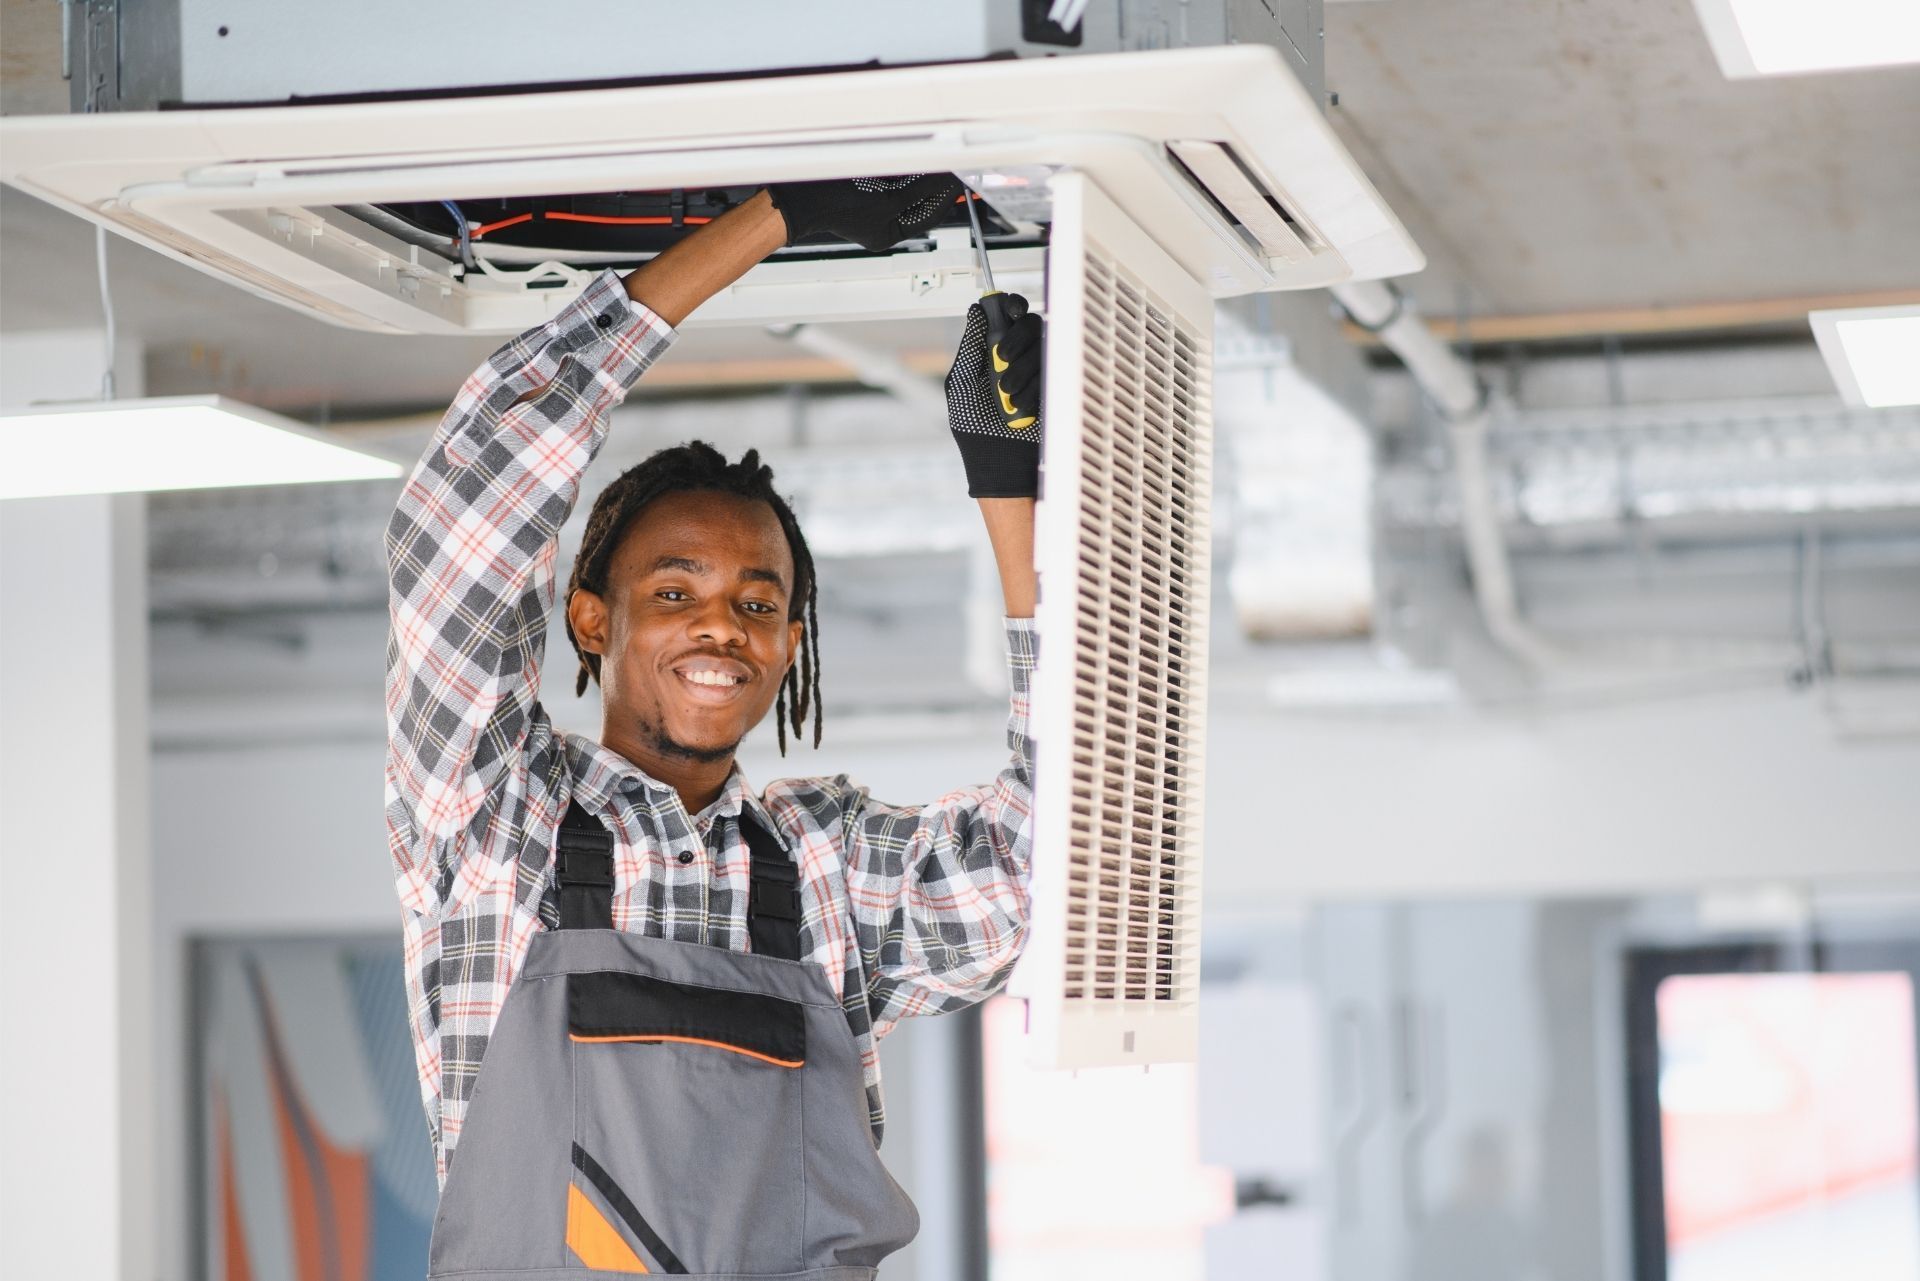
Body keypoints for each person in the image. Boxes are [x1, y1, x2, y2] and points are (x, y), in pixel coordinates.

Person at [383, 175, 1046, 1277]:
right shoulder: (493, 816)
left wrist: (1011, 489)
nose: (721, 628)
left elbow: (1055, 860)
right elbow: (472, 506)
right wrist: (777, 220)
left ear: (788, 645)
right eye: (674, 591)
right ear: (591, 619)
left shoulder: (829, 870)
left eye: (756, 604)